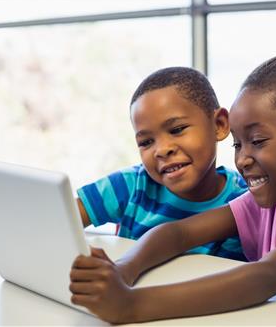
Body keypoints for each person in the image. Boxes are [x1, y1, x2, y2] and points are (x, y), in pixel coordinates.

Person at [69, 17, 276, 323]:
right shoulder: (270, 205)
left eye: (257, 140)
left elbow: (266, 276)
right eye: (238, 145)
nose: (242, 159)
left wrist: (131, 305)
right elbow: (178, 233)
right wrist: (125, 268)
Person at [76, 66, 248, 261]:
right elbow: (60, 219)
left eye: (177, 129)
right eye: (146, 142)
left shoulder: (243, 203)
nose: (162, 150)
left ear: (219, 125)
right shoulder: (131, 184)